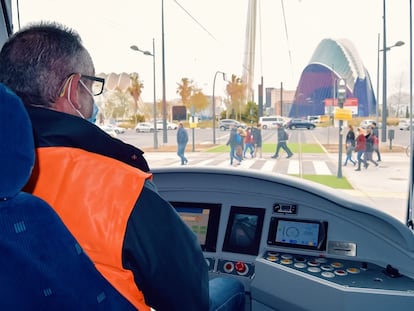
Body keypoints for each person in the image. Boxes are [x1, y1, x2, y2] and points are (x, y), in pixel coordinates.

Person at [0, 22, 245, 311]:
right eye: (91, 87)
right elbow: (190, 298)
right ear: (73, 89)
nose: (93, 99)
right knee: (231, 288)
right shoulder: (120, 187)